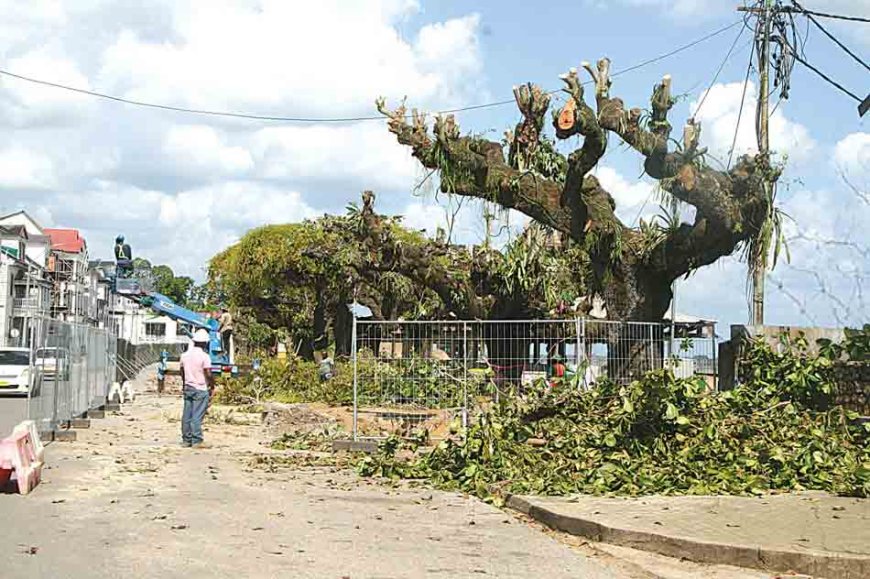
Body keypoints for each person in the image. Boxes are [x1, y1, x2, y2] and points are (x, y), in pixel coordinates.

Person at [180, 329, 214, 448]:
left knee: (186, 415)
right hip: (200, 388)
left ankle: (186, 439)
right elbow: (208, 373)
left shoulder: (184, 356)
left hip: (188, 387)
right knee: (197, 415)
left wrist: (184, 384)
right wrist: (212, 385)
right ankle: (197, 440)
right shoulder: (205, 356)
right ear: (205, 343)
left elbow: (182, 372)